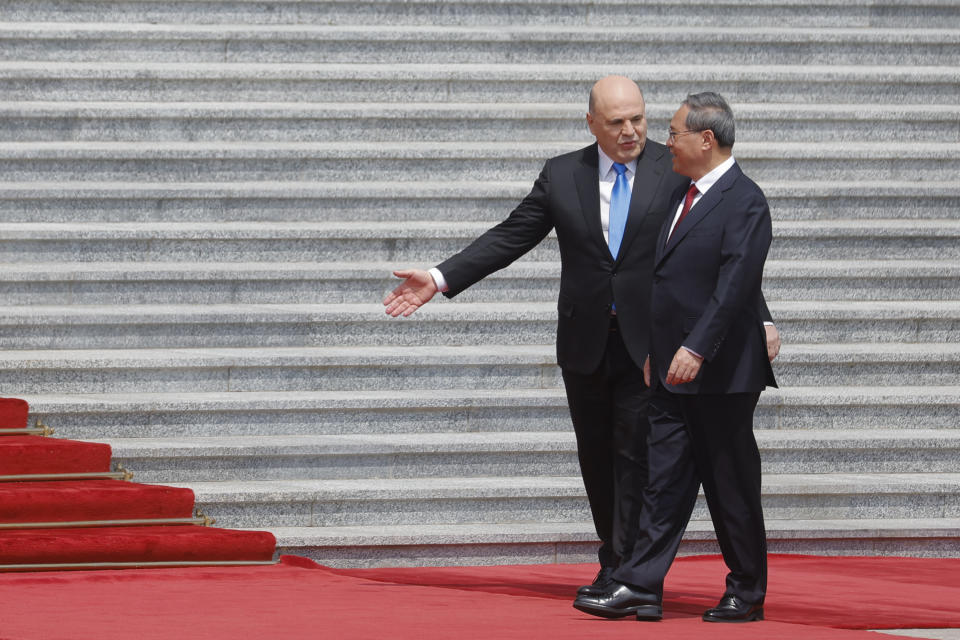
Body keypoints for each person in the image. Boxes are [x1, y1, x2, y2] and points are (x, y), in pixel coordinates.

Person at [383, 77, 780, 598]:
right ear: (591, 123)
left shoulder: (676, 164)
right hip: (587, 340)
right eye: (616, 122)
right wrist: (439, 277)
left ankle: (627, 572)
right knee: (597, 458)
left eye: (637, 118)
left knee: (640, 458)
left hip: (652, 343)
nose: (631, 131)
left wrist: (761, 315)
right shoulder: (563, 173)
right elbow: (512, 234)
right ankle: (616, 558)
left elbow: (722, 248)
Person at [572, 92, 777, 623]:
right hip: (667, 368)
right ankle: (639, 584)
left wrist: (696, 347)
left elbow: (736, 284)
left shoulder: (745, 199)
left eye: (675, 132)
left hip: (722, 372)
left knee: (729, 483)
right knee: (660, 481)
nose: (667, 141)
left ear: (705, 139)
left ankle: (747, 591)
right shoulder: (679, 194)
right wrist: (657, 351)